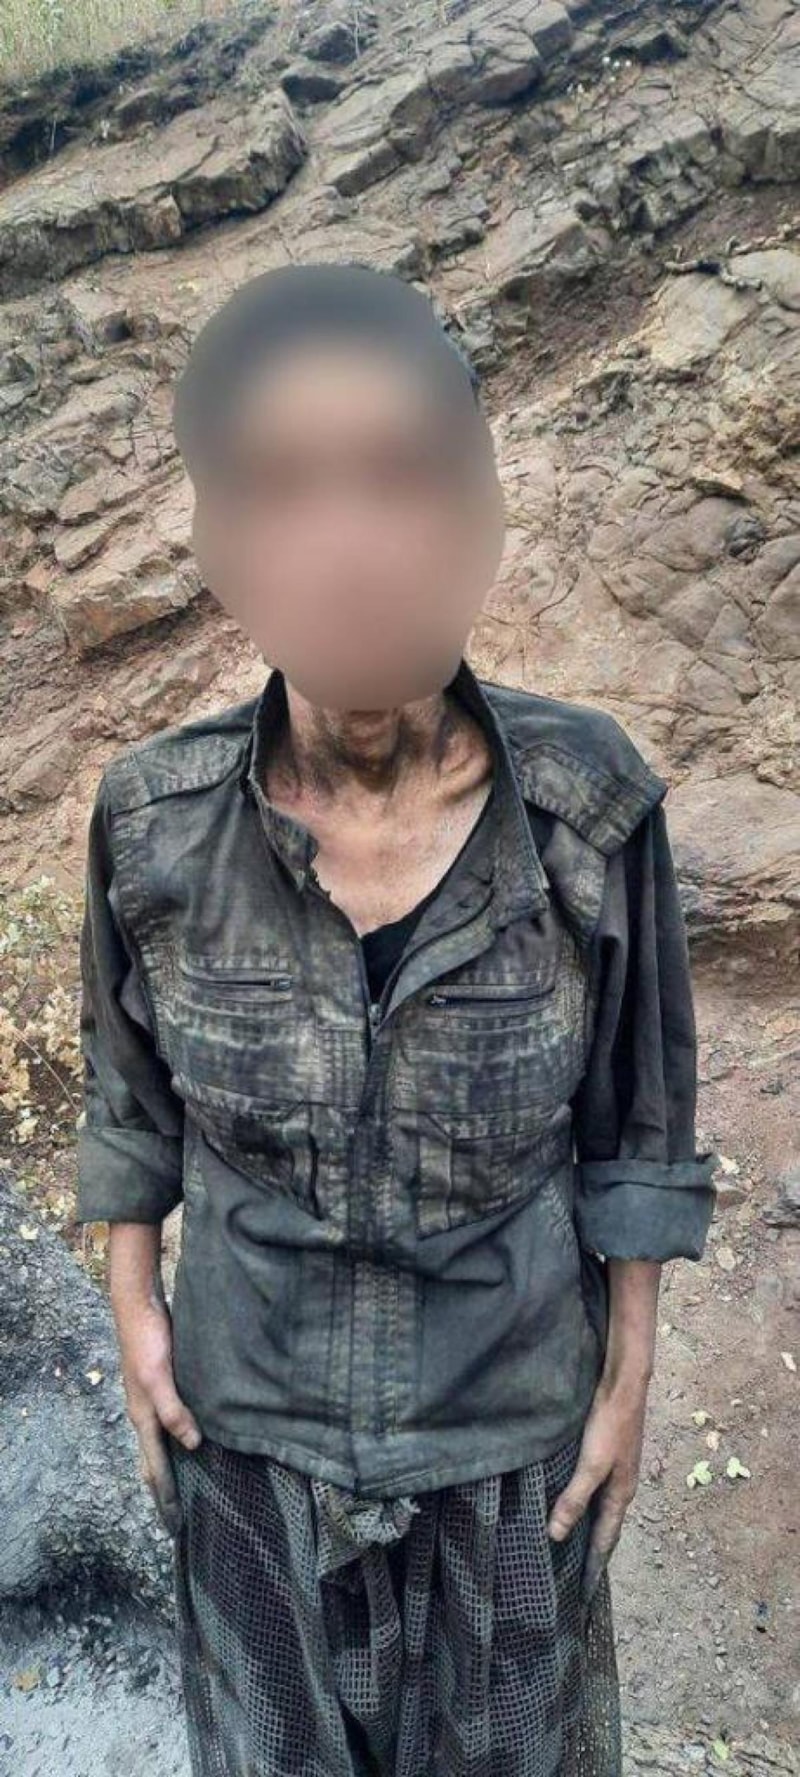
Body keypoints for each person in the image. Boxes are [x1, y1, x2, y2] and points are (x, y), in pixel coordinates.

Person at [75, 260, 719, 1777]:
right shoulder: (154, 822)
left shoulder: (587, 809)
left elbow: (639, 1123)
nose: (351, 546)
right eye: (285, 491)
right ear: (223, 540)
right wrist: (135, 1314)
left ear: (478, 511)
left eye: (403, 477)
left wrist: (626, 1385)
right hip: (250, 1436)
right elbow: (129, 1099)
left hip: (507, 1442)